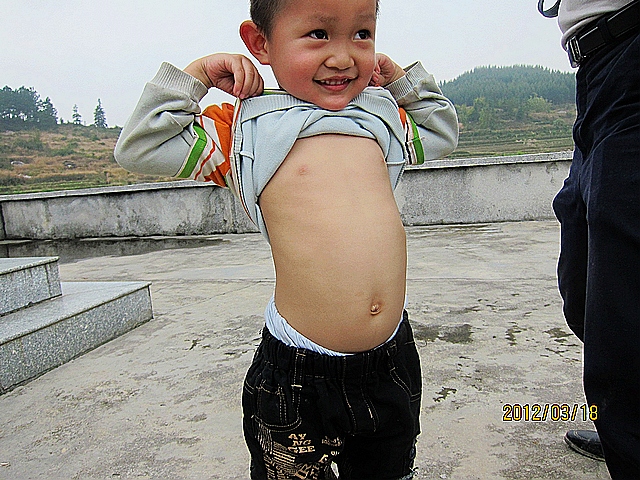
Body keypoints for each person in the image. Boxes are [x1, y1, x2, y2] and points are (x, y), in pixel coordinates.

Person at [114, 0, 458, 477]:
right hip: (298, 376)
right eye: (319, 34)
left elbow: (440, 130)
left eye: (362, 34)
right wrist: (198, 74)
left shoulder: (380, 116)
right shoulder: (241, 130)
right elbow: (141, 144)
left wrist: (401, 81)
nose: (343, 57)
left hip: (390, 362)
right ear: (260, 44)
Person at [543, 0, 640, 477]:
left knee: (622, 308)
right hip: (597, 74)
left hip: (633, 51)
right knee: (583, 285)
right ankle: (626, 417)